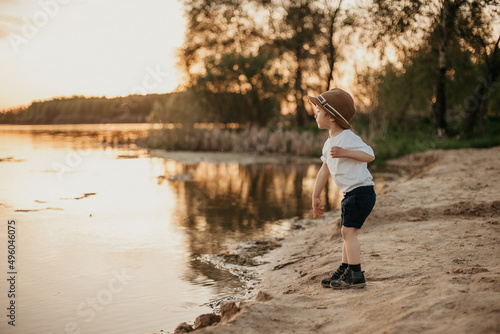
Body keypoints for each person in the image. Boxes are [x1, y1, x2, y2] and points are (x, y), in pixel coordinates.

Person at [309, 88, 376, 289]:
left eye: (318, 112)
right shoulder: (329, 143)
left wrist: (346, 152)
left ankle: (356, 274)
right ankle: (346, 268)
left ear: (330, 116)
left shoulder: (348, 138)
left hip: (361, 192)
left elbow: (370, 155)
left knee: (348, 233)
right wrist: (315, 195)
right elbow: (324, 170)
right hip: (350, 194)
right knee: (346, 232)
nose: (315, 115)